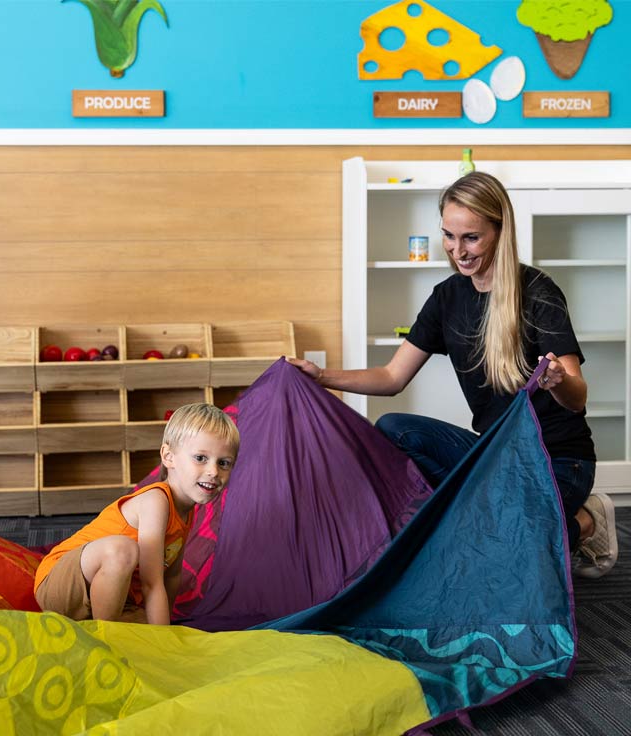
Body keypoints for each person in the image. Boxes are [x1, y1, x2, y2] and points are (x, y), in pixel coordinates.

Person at [288, 171, 618, 579]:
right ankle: (491, 521)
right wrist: (320, 376)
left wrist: (557, 381)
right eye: (449, 235)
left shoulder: (537, 292)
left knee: (503, 553)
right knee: (396, 429)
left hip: (558, 460)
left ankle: (587, 522)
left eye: (471, 238)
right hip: (493, 456)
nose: (457, 251)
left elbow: (578, 395)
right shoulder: (447, 296)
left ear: (500, 231)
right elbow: (392, 377)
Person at [34, 403, 239, 623]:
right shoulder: (156, 501)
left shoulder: (186, 513)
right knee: (124, 549)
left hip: (107, 600)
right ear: (168, 456)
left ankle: (94, 629)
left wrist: (165, 631)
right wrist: (162, 640)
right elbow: (152, 582)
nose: (213, 471)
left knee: (146, 624)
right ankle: (106, 638)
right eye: (200, 458)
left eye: (224, 463)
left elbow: (171, 576)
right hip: (60, 584)